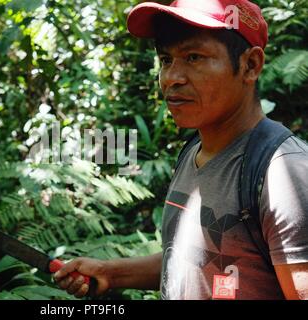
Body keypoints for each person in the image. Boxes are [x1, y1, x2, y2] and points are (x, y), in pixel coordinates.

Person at [53, 0, 308, 300]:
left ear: (250, 65)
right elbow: (197, 257)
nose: (172, 78)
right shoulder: (193, 152)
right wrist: (111, 273)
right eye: (165, 59)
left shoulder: (283, 174)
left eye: (194, 57)